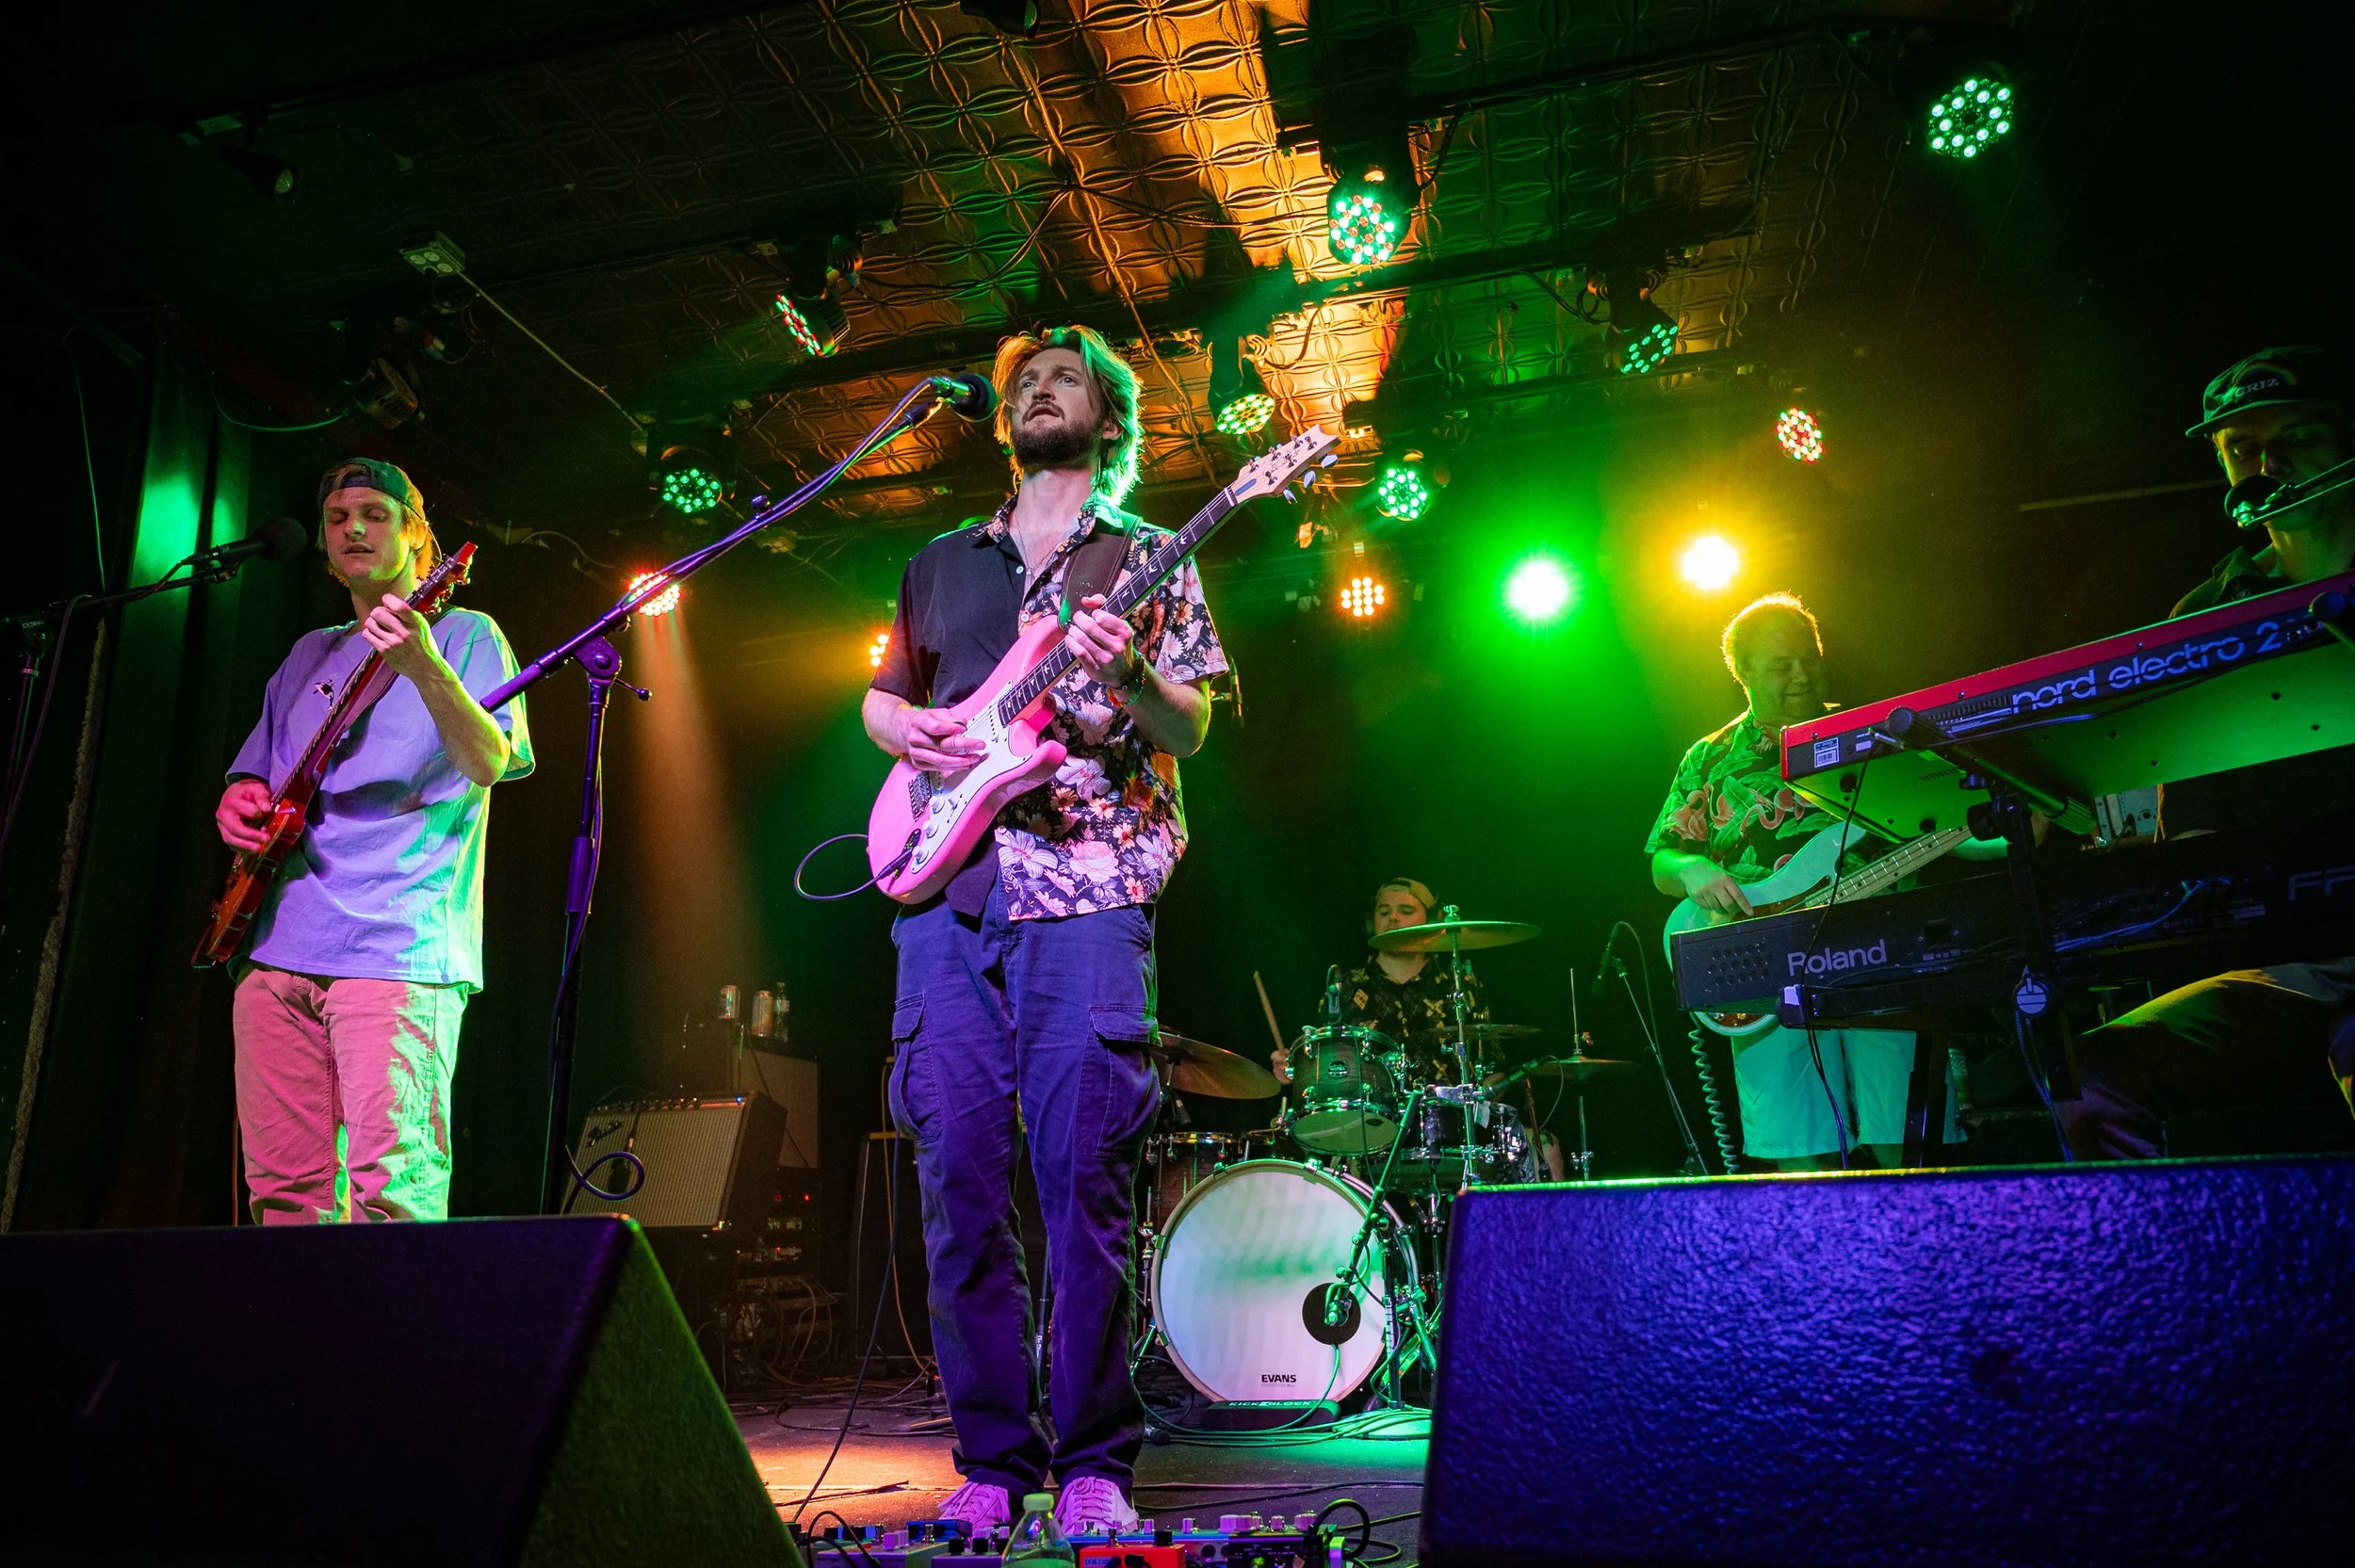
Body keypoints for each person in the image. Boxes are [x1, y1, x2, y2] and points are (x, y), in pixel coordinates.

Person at [863, 326, 1229, 1536]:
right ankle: (990, 1462)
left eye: (1063, 378)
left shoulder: (1148, 556)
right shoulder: (939, 563)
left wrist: (1127, 681)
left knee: (1085, 1185)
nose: (1036, 389)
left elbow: (1189, 729)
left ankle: (1091, 1465)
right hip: (948, 895)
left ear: (1108, 419)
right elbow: (886, 698)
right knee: (958, 1184)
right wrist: (901, 729)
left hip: (1090, 889)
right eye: (1024, 381)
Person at [214, 459, 531, 1223]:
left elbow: (490, 761)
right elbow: (254, 777)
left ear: (417, 534)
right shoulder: (308, 653)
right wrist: (238, 798)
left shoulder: (467, 635)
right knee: (282, 1195)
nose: (353, 527)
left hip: (396, 950)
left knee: (394, 1193)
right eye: (337, 517)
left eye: (375, 513)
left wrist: (423, 665)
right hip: (278, 949)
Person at [2061, 347, 2355, 1157]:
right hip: (2292, 966)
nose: (2268, 464)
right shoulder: (2206, 617)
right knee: (2093, 1078)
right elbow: (2192, 833)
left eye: (2297, 436)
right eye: (2241, 448)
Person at [1646, 592, 1954, 1172]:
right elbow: (1663, 861)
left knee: (1906, 1132)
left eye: (1809, 659)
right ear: (1742, 673)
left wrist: (2012, 825)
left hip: (1879, 944)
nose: (1801, 675)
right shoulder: (1709, 758)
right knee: (1802, 1151)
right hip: (1763, 960)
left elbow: (1940, 823)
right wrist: (1691, 868)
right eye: (1780, 666)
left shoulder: (1875, 734)